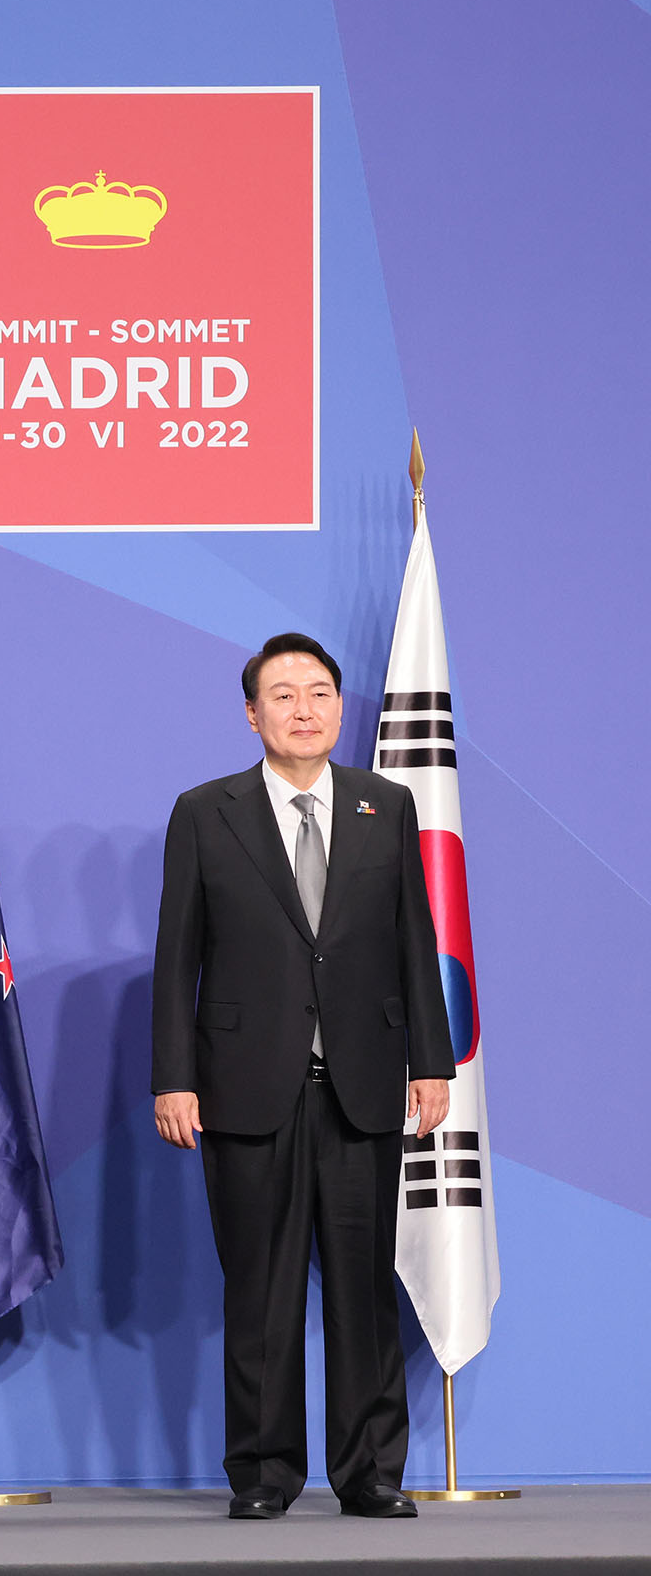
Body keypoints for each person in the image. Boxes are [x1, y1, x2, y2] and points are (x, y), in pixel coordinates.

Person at [152, 633, 452, 1520]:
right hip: (246, 1085)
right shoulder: (206, 811)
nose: (304, 708)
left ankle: (369, 1472)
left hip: (364, 1082)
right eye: (283, 695)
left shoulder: (384, 805)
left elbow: (414, 941)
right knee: (261, 1291)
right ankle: (264, 1473)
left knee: (363, 1292)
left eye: (319, 692)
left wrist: (430, 1062)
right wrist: (175, 1076)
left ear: (340, 706)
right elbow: (178, 958)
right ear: (252, 714)